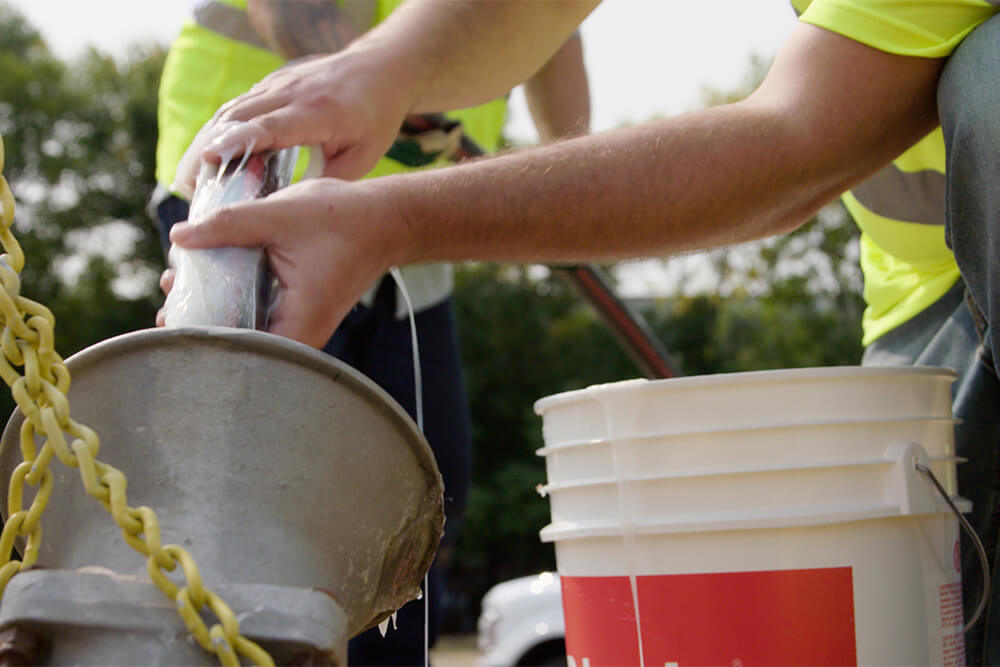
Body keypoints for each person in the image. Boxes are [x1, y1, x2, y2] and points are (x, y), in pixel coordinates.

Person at [162, 0, 1000, 662]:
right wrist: (384, 68)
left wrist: (407, 212)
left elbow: (798, 133)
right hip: (923, 306)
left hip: (964, 295)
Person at [150, 1, 589, 664]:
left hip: (409, 222)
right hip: (258, 179)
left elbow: (550, 21)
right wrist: (389, 78)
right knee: (264, 493)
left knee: (419, 498)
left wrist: (569, 174)